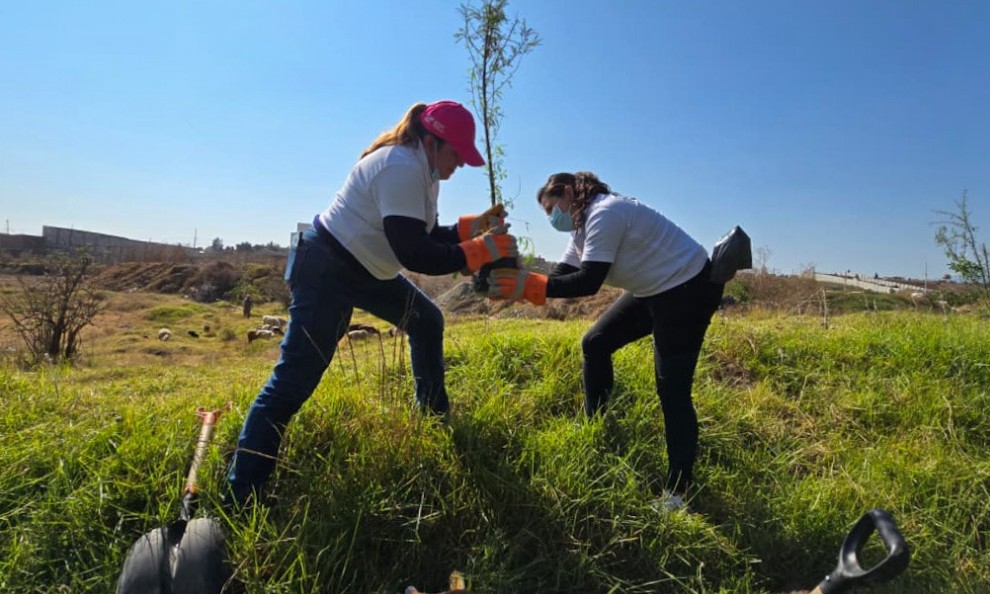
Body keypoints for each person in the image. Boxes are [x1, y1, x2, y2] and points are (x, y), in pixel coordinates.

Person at [225, 100, 518, 506]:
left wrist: (474, 227)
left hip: (366, 270)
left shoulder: (425, 170)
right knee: (293, 382)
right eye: (457, 155)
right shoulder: (399, 166)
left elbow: (428, 233)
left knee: (426, 321)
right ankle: (243, 494)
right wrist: (481, 251)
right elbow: (416, 253)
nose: (460, 166)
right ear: (433, 141)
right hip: (328, 269)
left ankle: (433, 420)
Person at [487, 171, 723, 511]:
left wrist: (527, 285)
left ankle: (678, 492)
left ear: (569, 193)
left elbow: (588, 281)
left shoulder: (605, 212)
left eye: (552, 208)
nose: (552, 218)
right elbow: (561, 278)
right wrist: (514, 270)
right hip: (652, 289)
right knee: (595, 342)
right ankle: (594, 423)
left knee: (672, 389)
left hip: (687, 288)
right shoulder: (582, 227)